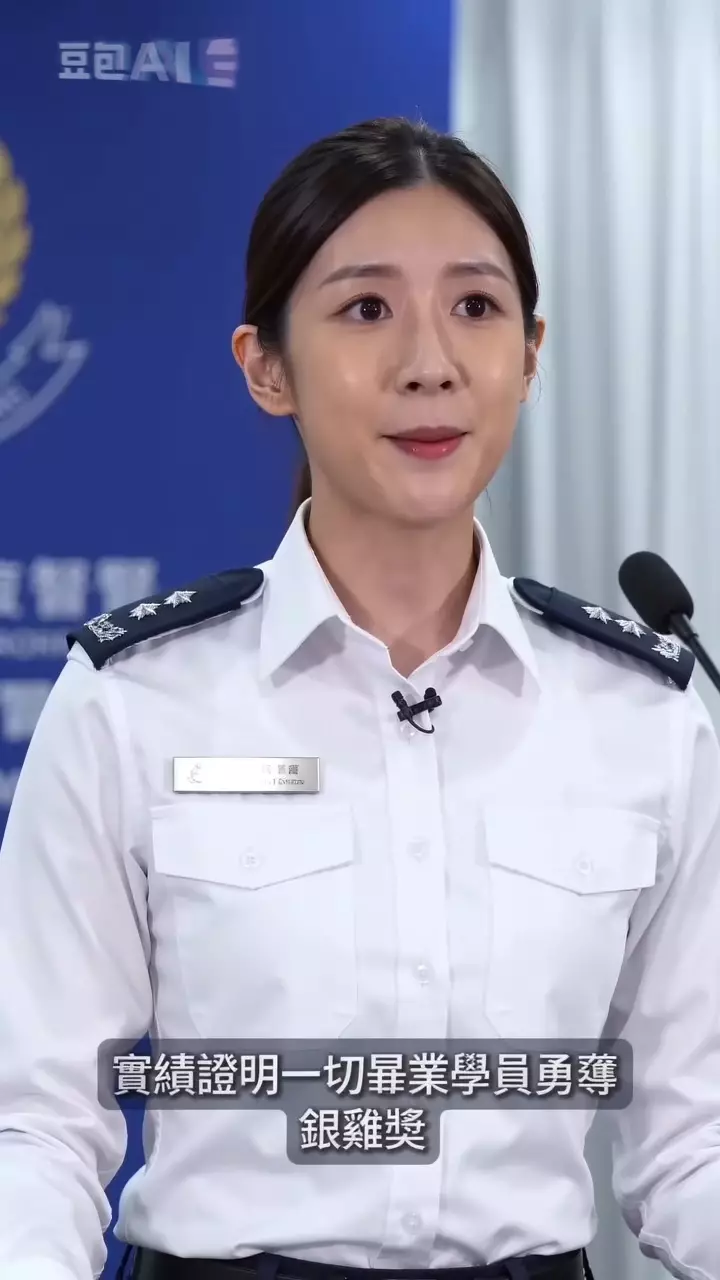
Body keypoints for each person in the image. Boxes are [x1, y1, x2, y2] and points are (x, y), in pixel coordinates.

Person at [0, 116, 718, 1280]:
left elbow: (698, 1131)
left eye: (476, 306)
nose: (430, 362)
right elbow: (33, 1120)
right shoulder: (135, 700)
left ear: (532, 353)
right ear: (266, 366)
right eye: (367, 308)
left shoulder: (642, 715)